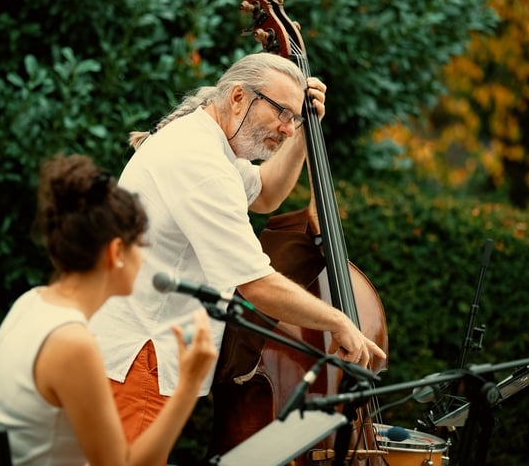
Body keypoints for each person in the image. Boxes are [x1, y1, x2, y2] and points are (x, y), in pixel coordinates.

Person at [90, 52, 387, 450]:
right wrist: (339, 322)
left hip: (133, 355)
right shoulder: (202, 164)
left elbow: (264, 193)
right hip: (140, 360)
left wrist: (303, 135)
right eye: (282, 113)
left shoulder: (208, 144)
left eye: (294, 118)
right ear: (237, 98)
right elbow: (256, 285)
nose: (285, 127)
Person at [0, 154, 218, 466]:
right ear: (116, 252)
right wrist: (188, 384)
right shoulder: (72, 344)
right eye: (141, 247)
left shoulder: (30, 303)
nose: (145, 261)